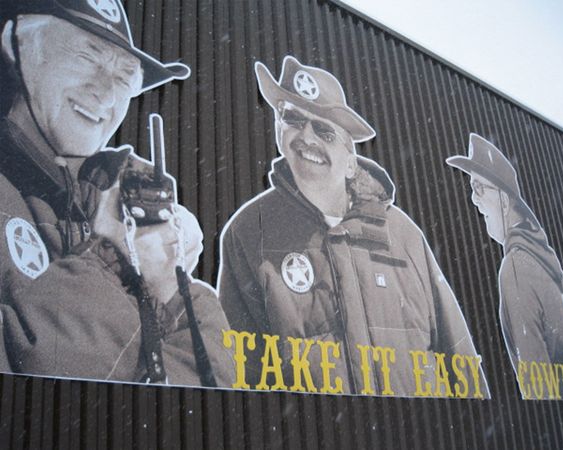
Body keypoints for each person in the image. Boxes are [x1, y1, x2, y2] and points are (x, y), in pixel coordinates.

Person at [218, 56, 488, 397]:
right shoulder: (247, 234)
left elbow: (458, 357)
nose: (306, 137)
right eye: (293, 119)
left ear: (350, 163)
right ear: (277, 129)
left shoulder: (403, 235)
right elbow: (239, 376)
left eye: (324, 130)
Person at [0, 0, 233, 387]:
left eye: (125, 77)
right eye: (85, 55)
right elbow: (42, 387)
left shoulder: (113, 206)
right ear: (16, 42)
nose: (105, 92)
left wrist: (173, 290)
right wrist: (109, 258)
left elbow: (209, 396)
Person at [447, 133, 563, 398]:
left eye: (479, 187)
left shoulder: (516, 268)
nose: (473, 198)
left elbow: (537, 386)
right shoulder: (545, 260)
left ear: (504, 200)